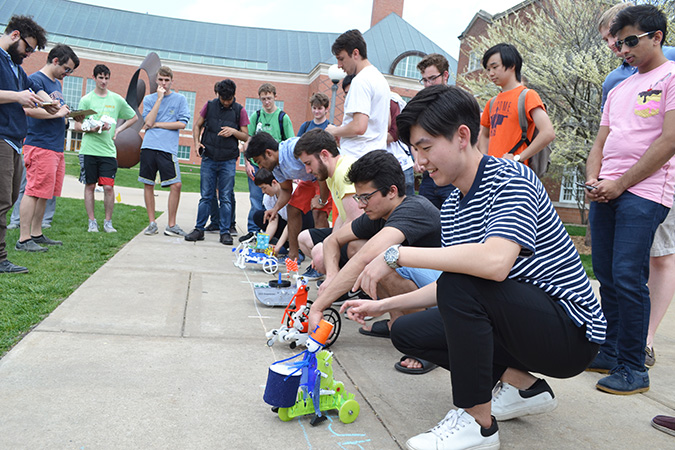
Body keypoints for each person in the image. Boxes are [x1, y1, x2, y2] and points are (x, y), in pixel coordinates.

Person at [341, 85, 605, 450]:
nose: (419, 163)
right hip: (520, 320)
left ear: (462, 135)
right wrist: (382, 307)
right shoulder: (452, 206)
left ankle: (477, 423)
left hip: (569, 333)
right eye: (415, 151)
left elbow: (494, 265)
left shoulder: (512, 178)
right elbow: (457, 286)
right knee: (407, 332)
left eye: (426, 147)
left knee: (459, 285)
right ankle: (526, 390)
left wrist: (396, 255)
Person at [585, 4, 675, 394]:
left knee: (627, 275)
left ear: (657, 37)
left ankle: (633, 367)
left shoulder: (671, 76)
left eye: (631, 41)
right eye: (619, 43)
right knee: (605, 274)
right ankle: (610, 350)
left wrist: (619, 183)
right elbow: (600, 142)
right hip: (605, 191)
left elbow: (669, 141)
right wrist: (593, 179)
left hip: (644, 191)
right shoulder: (618, 87)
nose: (624, 50)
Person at [307, 149, 442, 343]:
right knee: (355, 246)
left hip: (443, 292)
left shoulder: (414, 209)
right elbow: (332, 240)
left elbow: (367, 258)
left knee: (382, 260)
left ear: (392, 191)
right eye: (359, 197)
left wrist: (318, 307)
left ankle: (427, 337)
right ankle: (396, 321)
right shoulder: (378, 213)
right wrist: (331, 276)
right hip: (421, 283)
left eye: (366, 197)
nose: (361, 205)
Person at [1, 15, 57, 274]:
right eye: (28, 48)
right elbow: (21, 94)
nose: (28, 54)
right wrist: (17, 96)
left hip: (14, 141)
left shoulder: (15, 67)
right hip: (1, 138)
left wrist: (50, 102)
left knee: (11, 197)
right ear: (15, 36)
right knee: (2, 200)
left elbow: (33, 86)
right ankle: (1, 259)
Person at [16, 44, 79, 252]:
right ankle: (24, 238)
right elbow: (28, 110)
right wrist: (58, 114)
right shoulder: (35, 80)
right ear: (55, 61)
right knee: (33, 190)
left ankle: (36, 233)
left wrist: (65, 115)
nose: (67, 74)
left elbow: (54, 110)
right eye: (67, 69)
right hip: (40, 144)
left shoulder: (55, 85)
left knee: (45, 193)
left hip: (55, 146)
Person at [185, 79, 249, 245]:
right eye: (223, 99)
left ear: (234, 96)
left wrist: (234, 131)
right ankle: (199, 229)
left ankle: (225, 231)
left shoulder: (239, 110)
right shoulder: (209, 105)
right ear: (218, 95)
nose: (226, 102)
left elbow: (245, 135)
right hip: (209, 158)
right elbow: (197, 126)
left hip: (228, 160)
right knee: (206, 196)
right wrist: (196, 143)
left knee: (226, 197)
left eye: (229, 99)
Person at [75, 64, 137, 233]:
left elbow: (133, 117)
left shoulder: (116, 99)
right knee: (90, 186)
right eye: (100, 77)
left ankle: (108, 222)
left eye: (106, 78)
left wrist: (118, 130)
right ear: (94, 78)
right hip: (89, 150)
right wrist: (91, 128)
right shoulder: (86, 99)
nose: (103, 81)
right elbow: (77, 125)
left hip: (108, 152)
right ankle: (92, 222)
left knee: (109, 187)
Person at [294, 129, 362, 279]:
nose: (308, 170)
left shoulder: (343, 172)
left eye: (308, 163)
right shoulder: (332, 174)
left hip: (366, 237)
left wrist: (329, 245)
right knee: (304, 239)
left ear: (324, 155)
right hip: (354, 229)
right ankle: (336, 276)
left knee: (319, 252)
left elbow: (357, 220)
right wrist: (330, 241)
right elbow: (343, 217)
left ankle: (344, 285)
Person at [244, 131, 320, 262]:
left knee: (320, 213)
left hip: (322, 175)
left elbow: (320, 164)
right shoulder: (276, 168)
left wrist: (319, 196)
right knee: (292, 209)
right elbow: (286, 189)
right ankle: (293, 255)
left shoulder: (293, 149)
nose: (260, 167)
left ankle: (319, 261)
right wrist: (275, 209)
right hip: (309, 180)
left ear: (269, 153)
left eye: (259, 162)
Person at [478, 43, 555, 168]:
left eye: (494, 67)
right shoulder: (491, 103)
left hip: (516, 173)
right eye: (488, 69)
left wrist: (518, 158)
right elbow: (484, 135)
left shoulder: (528, 96)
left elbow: (548, 133)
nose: (490, 73)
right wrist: (485, 159)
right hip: (493, 173)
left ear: (512, 65)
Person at [239, 83, 295, 243]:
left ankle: (293, 250)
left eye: (269, 98)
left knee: (294, 218)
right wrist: (248, 163)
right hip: (290, 228)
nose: (266, 102)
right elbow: (274, 218)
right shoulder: (256, 116)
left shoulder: (282, 118)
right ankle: (259, 235)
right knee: (259, 206)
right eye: (263, 99)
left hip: (299, 227)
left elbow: (289, 141)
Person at [138, 66, 191, 237]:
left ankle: (171, 225)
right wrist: (159, 99)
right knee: (148, 183)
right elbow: (148, 121)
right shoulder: (149, 99)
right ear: (156, 80)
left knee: (176, 185)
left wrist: (159, 125)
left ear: (171, 81)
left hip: (167, 149)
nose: (163, 83)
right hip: (149, 146)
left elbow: (182, 123)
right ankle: (152, 223)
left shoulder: (180, 99)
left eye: (167, 80)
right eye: (161, 80)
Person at [326, 29, 389, 159]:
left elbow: (359, 127)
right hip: (376, 157)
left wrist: (334, 131)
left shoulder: (360, 81)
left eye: (341, 58)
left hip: (356, 158)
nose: (339, 65)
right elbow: (386, 122)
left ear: (355, 53)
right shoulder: (380, 79)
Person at [415, 53, 455, 208]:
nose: (428, 84)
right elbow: (415, 136)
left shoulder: (456, 100)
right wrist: (417, 157)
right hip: (429, 176)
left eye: (432, 78)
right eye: (425, 80)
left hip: (452, 176)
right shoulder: (420, 104)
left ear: (445, 75)